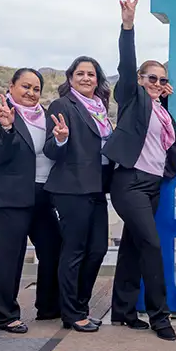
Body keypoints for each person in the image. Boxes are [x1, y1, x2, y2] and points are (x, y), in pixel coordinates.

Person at [103, 0, 176, 342]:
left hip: (151, 185)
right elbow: (125, 63)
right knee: (151, 244)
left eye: (162, 80)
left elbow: (166, 146)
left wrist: (165, 100)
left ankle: (122, 311)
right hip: (128, 183)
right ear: (140, 80)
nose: (157, 84)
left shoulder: (163, 113)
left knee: (135, 245)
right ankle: (160, 316)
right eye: (151, 78)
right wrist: (128, 27)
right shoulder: (131, 99)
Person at [0, 68, 61, 333]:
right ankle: (5, 315)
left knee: (53, 247)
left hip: (42, 194)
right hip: (10, 196)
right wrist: (6, 127)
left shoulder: (47, 117)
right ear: (12, 86)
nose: (30, 93)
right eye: (25, 87)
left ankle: (49, 306)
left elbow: (52, 149)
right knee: (10, 256)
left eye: (36, 88)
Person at [44, 54, 113, 333]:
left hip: (96, 187)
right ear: (70, 78)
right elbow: (51, 149)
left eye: (91, 74)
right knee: (74, 251)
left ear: (98, 80)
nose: (86, 78)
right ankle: (71, 312)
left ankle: (79, 305)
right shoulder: (63, 105)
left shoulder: (101, 108)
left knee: (98, 249)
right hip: (71, 188)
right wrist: (60, 138)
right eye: (80, 74)